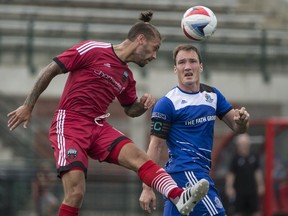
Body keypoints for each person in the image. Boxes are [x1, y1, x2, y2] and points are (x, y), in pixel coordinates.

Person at [7, 12, 209, 216]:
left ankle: (178, 196)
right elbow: (52, 68)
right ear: (141, 40)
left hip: (98, 127)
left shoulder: (126, 77)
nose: (154, 56)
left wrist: (141, 105)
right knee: (76, 193)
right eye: (154, 48)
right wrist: (28, 105)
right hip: (70, 124)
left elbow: (130, 110)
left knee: (141, 159)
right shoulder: (93, 49)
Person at [139, 44, 250, 216]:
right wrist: (147, 187)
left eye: (192, 61)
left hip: (191, 175)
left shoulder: (212, 95)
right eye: (182, 62)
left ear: (201, 66)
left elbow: (237, 127)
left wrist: (242, 121)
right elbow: (155, 146)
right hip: (187, 173)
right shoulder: (167, 103)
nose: (188, 67)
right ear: (175, 69)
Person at [225, 133, 265, 216]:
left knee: (256, 211)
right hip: (239, 191)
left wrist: (260, 185)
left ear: (248, 144)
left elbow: (257, 172)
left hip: (252, 190)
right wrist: (229, 187)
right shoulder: (235, 159)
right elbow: (231, 174)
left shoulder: (254, 156)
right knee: (237, 212)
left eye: (245, 144)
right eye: (241, 144)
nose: (243, 146)